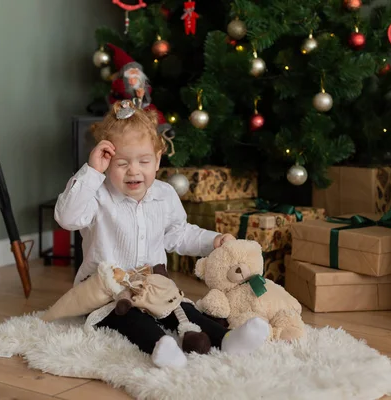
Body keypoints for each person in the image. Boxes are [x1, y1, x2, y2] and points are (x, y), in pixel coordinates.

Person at [54, 99, 270, 368]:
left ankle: (226, 339)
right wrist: (91, 172)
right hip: (109, 292)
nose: (133, 170)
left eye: (144, 161)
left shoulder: (164, 195)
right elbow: (66, 218)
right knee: (133, 319)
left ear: (157, 160)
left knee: (181, 308)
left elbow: (178, 235)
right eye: (121, 163)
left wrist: (212, 240)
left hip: (155, 285)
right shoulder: (97, 196)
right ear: (107, 162)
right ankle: (161, 347)